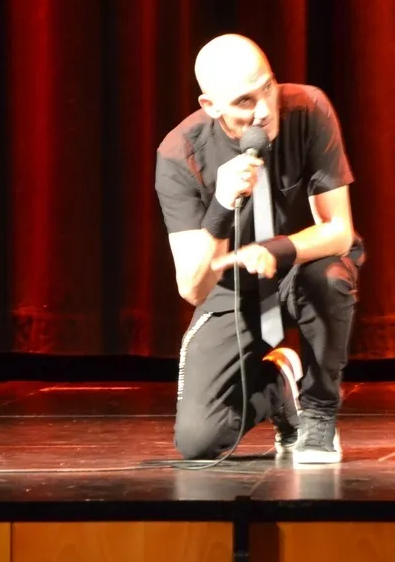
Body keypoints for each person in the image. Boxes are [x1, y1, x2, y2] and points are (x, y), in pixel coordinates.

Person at [154, 33, 364, 465]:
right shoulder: (180, 155)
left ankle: (319, 412)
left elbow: (340, 232)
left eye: (267, 87)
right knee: (199, 441)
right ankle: (278, 387)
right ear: (211, 106)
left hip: (301, 268)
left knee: (330, 277)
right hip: (232, 289)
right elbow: (192, 288)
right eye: (245, 101)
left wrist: (277, 249)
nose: (265, 110)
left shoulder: (308, 109)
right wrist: (220, 206)